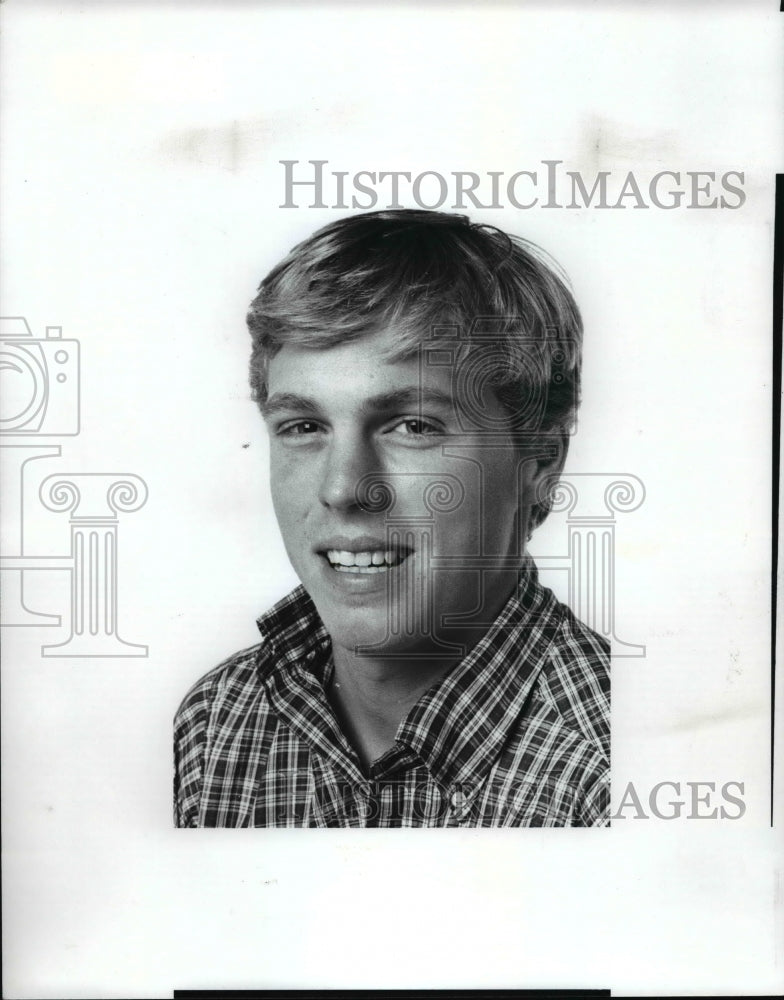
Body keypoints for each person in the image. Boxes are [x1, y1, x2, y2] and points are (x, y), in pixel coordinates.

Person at [174, 209, 610, 827]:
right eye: (303, 427)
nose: (345, 488)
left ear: (538, 461)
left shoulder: (616, 763)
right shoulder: (216, 721)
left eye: (413, 426)